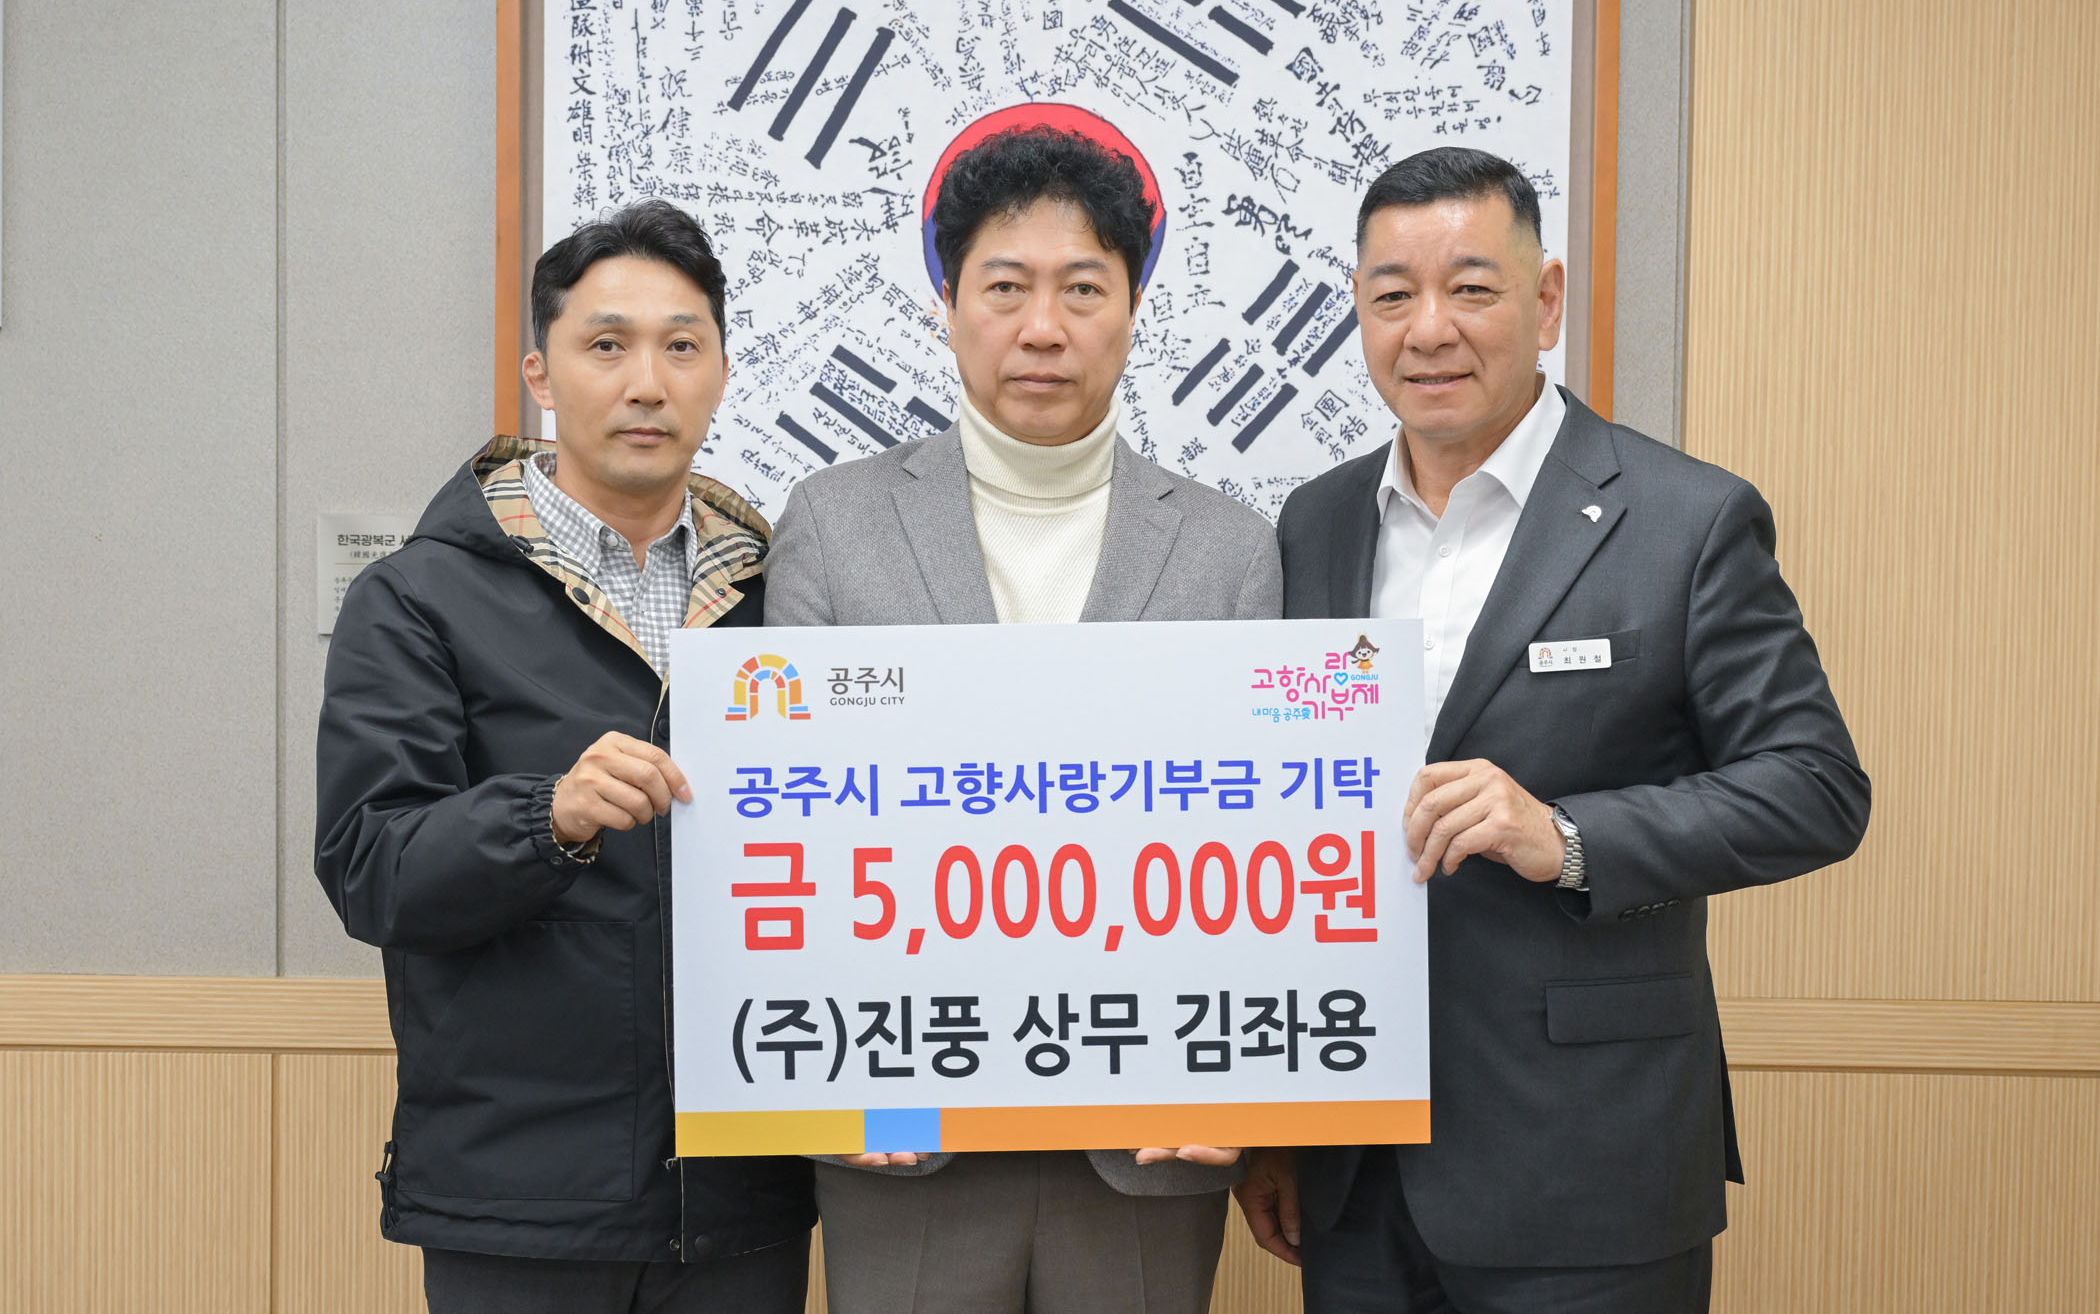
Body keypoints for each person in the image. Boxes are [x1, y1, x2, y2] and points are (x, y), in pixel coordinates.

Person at [1235, 146, 1870, 1312]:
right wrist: (1277, 1120)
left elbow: (1816, 784)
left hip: (1591, 1163)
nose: (1430, 328)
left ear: (1546, 301)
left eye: (1472, 288)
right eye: (1393, 294)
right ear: (1359, 310)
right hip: (1354, 1174)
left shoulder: (1685, 519)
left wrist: (1566, 835)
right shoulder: (1314, 523)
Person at [764, 125, 1282, 1314]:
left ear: (1134, 308)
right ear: (948, 306)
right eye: (1005, 287)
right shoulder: (833, 522)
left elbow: (1267, 847)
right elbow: (785, 822)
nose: (1043, 327)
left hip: (1151, 1125)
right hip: (900, 1117)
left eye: (1083, 289)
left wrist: (1245, 1085)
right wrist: (842, 1080)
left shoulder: (1231, 549)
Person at [315, 201, 814, 1314]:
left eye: (681, 346)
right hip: (519, 1201)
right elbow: (369, 866)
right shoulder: (418, 597)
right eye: (607, 345)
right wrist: (547, 816)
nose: (648, 383)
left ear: (721, 371)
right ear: (539, 373)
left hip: (745, 1198)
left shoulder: (783, 600)